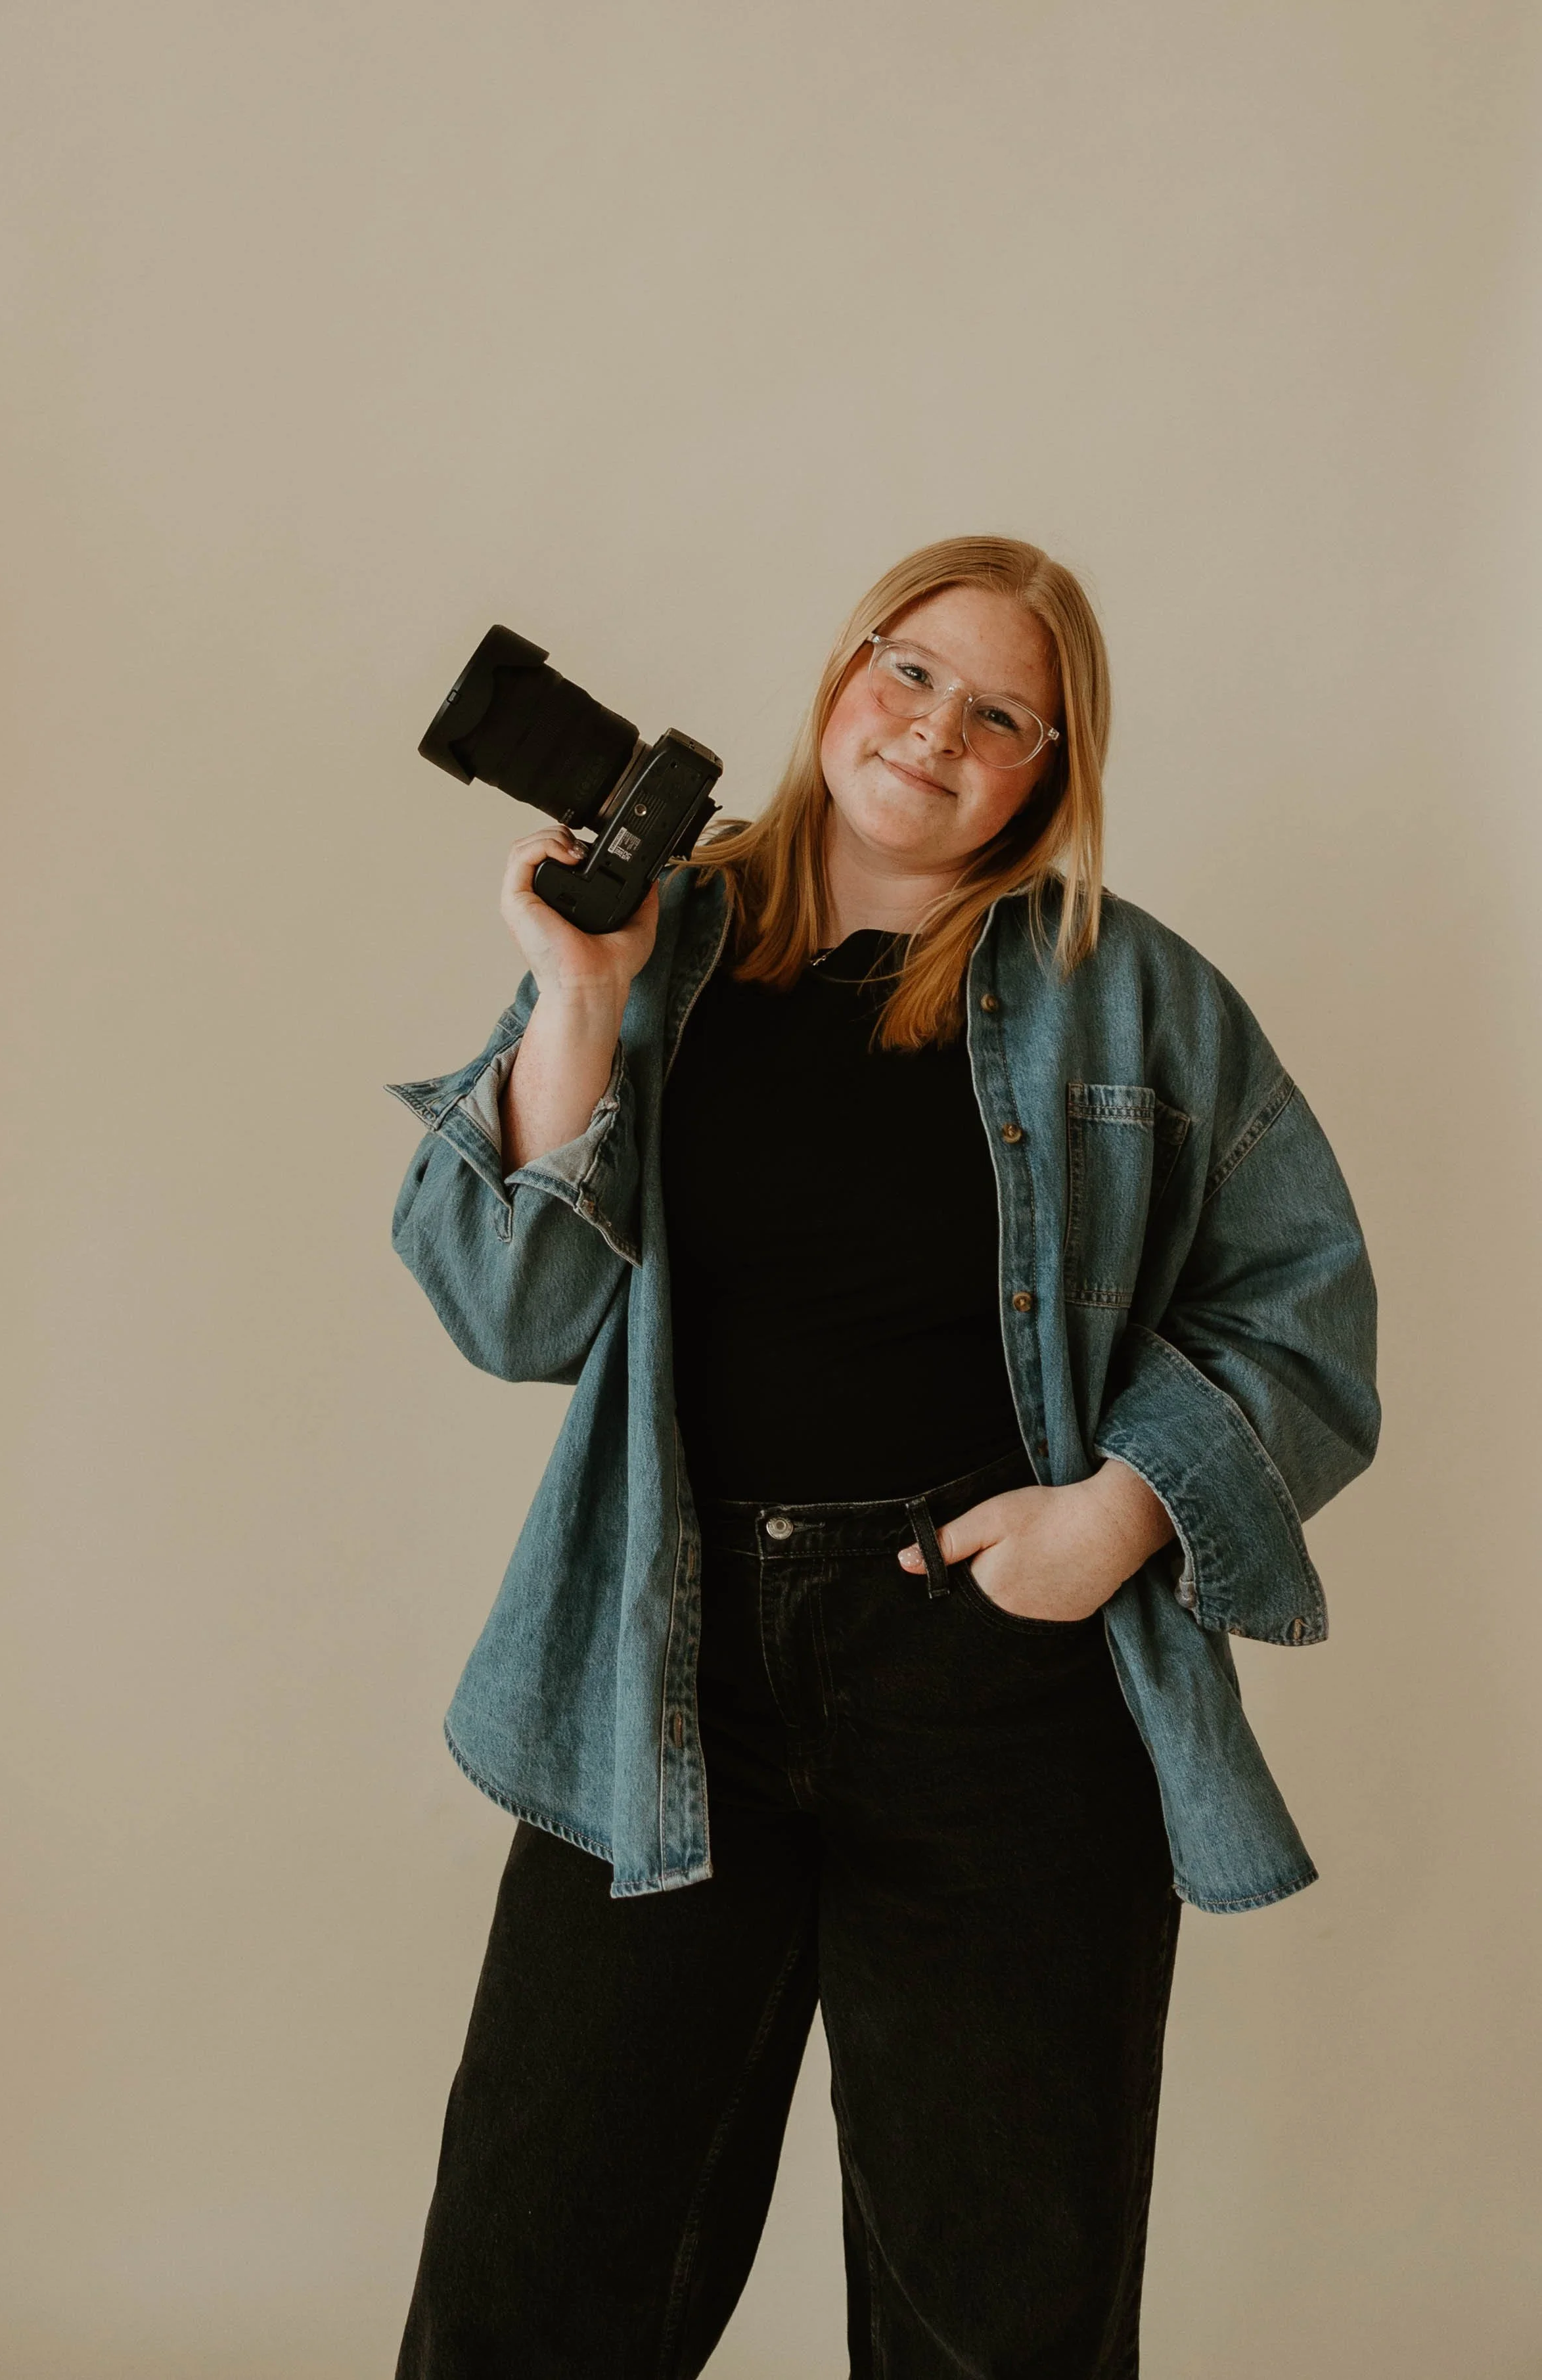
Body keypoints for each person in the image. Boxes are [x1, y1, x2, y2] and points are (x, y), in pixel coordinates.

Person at [385, 536, 1379, 2378]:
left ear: (1048, 777)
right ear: (841, 673)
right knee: (539, 2273)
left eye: (1002, 713)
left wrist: (1119, 1511)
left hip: (1002, 1693)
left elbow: (1305, 1321)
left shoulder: (1135, 998)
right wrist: (575, 997)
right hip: (665, 1673)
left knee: (995, 2309)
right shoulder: (659, 939)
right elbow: (505, 1312)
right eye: (908, 669)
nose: (935, 728)